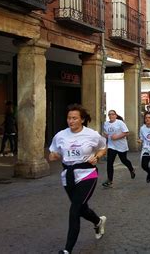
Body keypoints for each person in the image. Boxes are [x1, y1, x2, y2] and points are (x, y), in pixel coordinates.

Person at [48, 104, 107, 254]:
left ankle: (67, 249)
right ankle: (98, 221)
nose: (71, 121)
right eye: (69, 118)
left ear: (82, 120)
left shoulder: (91, 134)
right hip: (68, 175)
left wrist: (97, 157)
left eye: (74, 118)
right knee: (82, 208)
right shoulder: (60, 135)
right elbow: (52, 153)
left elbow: (103, 147)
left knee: (75, 209)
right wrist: (54, 156)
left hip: (87, 173)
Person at [101, 110, 135, 188]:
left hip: (121, 146)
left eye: (112, 114)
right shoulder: (106, 124)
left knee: (124, 160)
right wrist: (105, 135)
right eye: (109, 114)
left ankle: (131, 169)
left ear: (116, 115)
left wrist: (117, 137)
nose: (111, 116)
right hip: (111, 146)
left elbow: (126, 133)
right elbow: (106, 133)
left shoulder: (120, 123)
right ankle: (109, 180)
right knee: (109, 162)